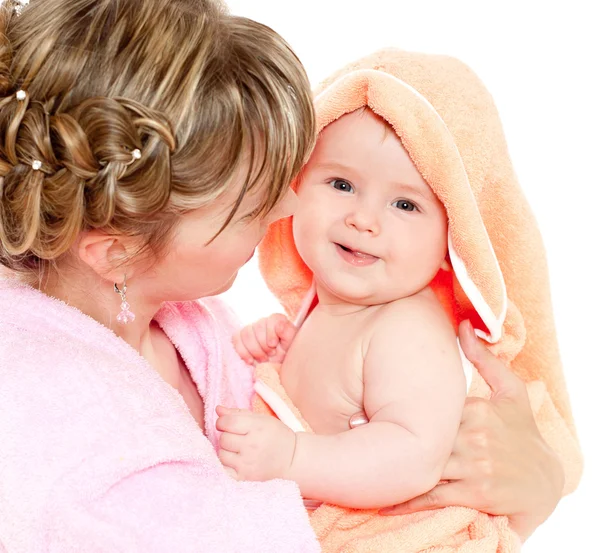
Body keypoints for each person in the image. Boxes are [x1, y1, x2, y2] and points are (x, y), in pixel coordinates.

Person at [0, 0, 577, 550]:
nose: (287, 207)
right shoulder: (78, 452)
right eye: (252, 203)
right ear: (117, 252)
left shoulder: (176, 322)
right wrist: (534, 499)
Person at [223, 48, 583, 549]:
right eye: (342, 184)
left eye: (405, 204)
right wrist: (279, 352)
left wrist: (291, 458)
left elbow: (412, 455)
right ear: (296, 184)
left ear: (452, 246)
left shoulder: (407, 330)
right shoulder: (327, 305)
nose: (364, 219)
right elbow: (327, 394)